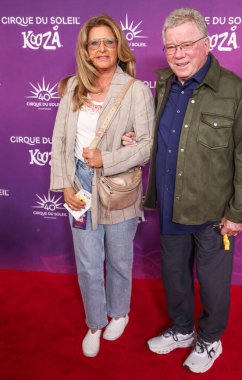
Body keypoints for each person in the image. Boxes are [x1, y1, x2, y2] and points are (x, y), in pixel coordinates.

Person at [123, 7, 242, 374]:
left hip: (215, 214)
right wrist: (136, 139)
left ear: (207, 44)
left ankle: (209, 339)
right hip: (170, 205)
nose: (178, 54)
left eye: (186, 45)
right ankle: (183, 330)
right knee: (175, 278)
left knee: (213, 284)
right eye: (171, 47)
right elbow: (165, 136)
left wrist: (238, 211)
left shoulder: (234, 90)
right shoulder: (165, 84)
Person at [50, 14, 154, 358]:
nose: (102, 48)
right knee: (88, 261)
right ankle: (94, 322)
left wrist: (106, 159)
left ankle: (120, 313)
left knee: (120, 258)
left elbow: (145, 145)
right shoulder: (73, 88)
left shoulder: (135, 90)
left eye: (108, 41)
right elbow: (61, 140)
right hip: (80, 183)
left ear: (118, 45)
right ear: (86, 49)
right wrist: (65, 183)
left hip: (119, 186)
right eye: (94, 42)